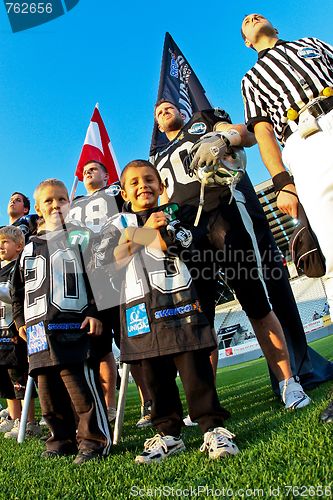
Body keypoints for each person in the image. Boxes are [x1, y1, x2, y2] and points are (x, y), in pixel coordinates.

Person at [152, 99, 311, 410]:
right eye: (158, 112)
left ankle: (288, 382)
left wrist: (222, 138)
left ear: (182, 111)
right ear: (158, 126)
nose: (163, 111)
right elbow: (163, 198)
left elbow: (247, 135)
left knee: (256, 303)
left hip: (224, 215)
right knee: (202, 320)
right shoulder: (156, 158)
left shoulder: (202, 120)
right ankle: (208, 403)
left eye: (168, 106)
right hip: (188, 235)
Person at [98, 159, 238, 463]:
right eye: (133, 182)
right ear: (123, 192)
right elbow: (114, 260)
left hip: (180, 305)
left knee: (195, 370)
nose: (142, 186)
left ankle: (212, 428)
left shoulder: (178, 214)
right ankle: (168, 434)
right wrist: (139, 233)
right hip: (139, 313)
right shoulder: (115, 224)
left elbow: (169, 244)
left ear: (161, 185)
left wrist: (136, 237)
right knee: (155, 377)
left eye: (148, 179)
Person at [240, 13, 333, 421]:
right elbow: (262, 131)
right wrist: (281, 181)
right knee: (331, 247)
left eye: (257, 14)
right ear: (247, 42)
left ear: (273, 25)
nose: (252, 17)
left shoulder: (312, 41)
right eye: (246, 21)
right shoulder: (251, 78)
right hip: (302, 140)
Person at [12, 179, 111, 464]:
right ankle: (60, 438)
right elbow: (18, 291)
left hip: (73, 325)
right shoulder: (29, 247)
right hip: (39, 331)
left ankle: (93, 440)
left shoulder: (80, 236)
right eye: (49, 201)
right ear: (39, 209)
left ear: (70, 203)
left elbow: (97, 276)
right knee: (48, 393)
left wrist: (94, 311)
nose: (56, 205)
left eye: (62, 199)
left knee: (80, 389)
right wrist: (20, 320)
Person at [69, 160, 153, 426]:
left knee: (133, 339)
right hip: (89, 279)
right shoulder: (73, 204)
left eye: (95, 168)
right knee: (100, 346)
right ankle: (108, 408)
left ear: (108, 175)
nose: (88, 171)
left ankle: (148, 401)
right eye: (85, 170)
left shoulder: (117, 192)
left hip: (120, 271)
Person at [0, 226, 40, 439]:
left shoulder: (19, 267)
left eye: (5, 241)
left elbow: (14, 295)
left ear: (19, 246)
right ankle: (15, 419)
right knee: (5, 377)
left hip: (14, 331)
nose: (1, 245)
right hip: (0, 331)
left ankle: (30, 422)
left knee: (19, 376)